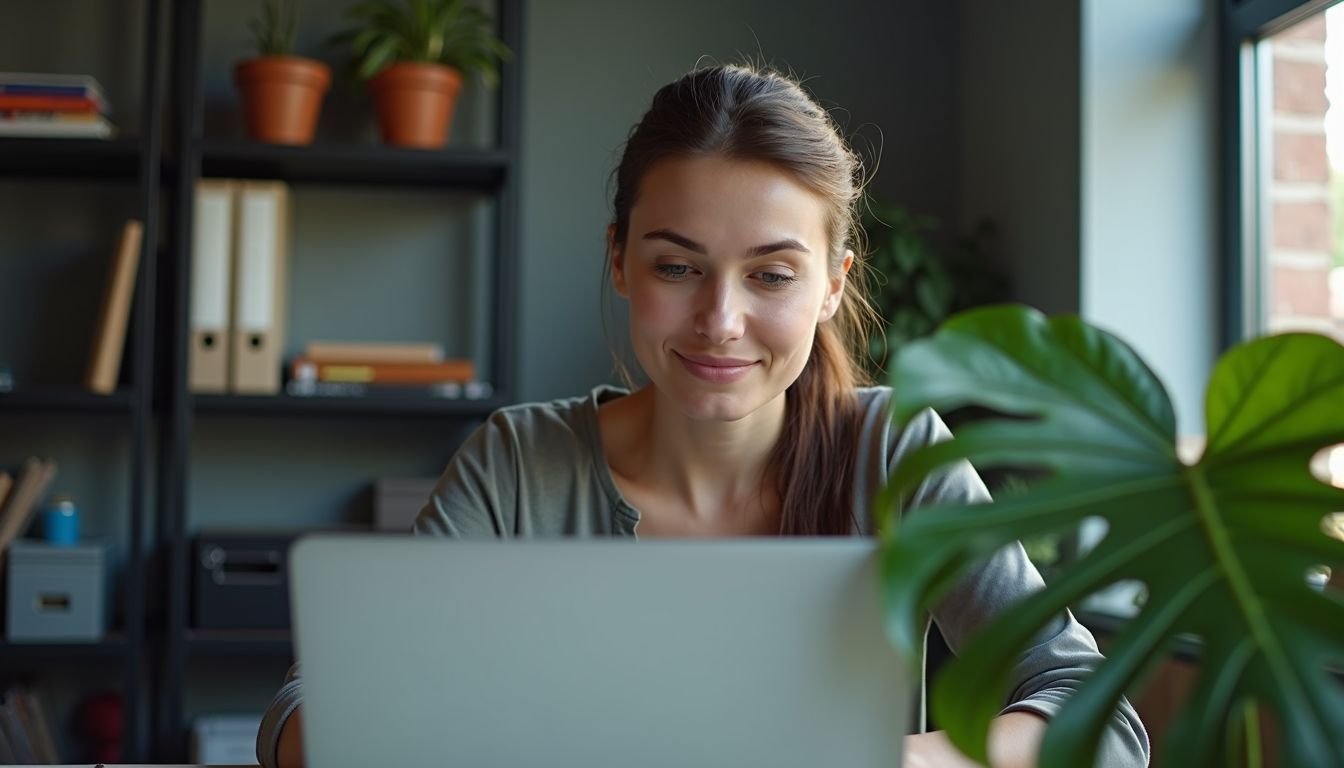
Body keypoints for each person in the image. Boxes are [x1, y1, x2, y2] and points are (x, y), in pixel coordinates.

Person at [257, 63, 1150, 768]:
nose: (720, 320)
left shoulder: (892, 450)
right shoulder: (519, 463)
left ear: (834, 285)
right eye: (678, 267)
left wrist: (899, 761)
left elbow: (1095, 715)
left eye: (771, 274)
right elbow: (301, 717)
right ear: (620, 261)